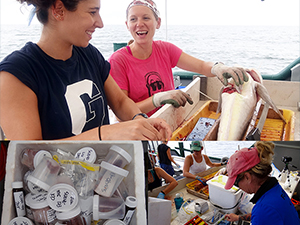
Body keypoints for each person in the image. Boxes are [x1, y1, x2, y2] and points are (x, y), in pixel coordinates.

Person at [0, 0, 172, 141]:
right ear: (59, 10)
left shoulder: (89, 53)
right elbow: (29, 154)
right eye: (92, 12)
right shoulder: (16, 74)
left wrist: (140, 122)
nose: (100, 23)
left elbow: (119, 102)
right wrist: (105, 134)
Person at [108, 0, 250, 117]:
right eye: (133, 19)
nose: (139, 24)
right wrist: (157, 99)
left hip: (168, 118)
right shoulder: (118, 60)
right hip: (140, 126)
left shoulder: (165, 49)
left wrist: (218, 67)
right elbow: (122, 112)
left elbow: (201, 66)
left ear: (157, 23)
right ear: (127, 25)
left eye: (146, 18)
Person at [224, 141, 300, 225]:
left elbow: (263, 213)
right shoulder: (275, 188)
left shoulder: (262, 210)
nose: (238, 187)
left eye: (236, 183)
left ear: (247, 177)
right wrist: (238, 218)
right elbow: (266, 213)